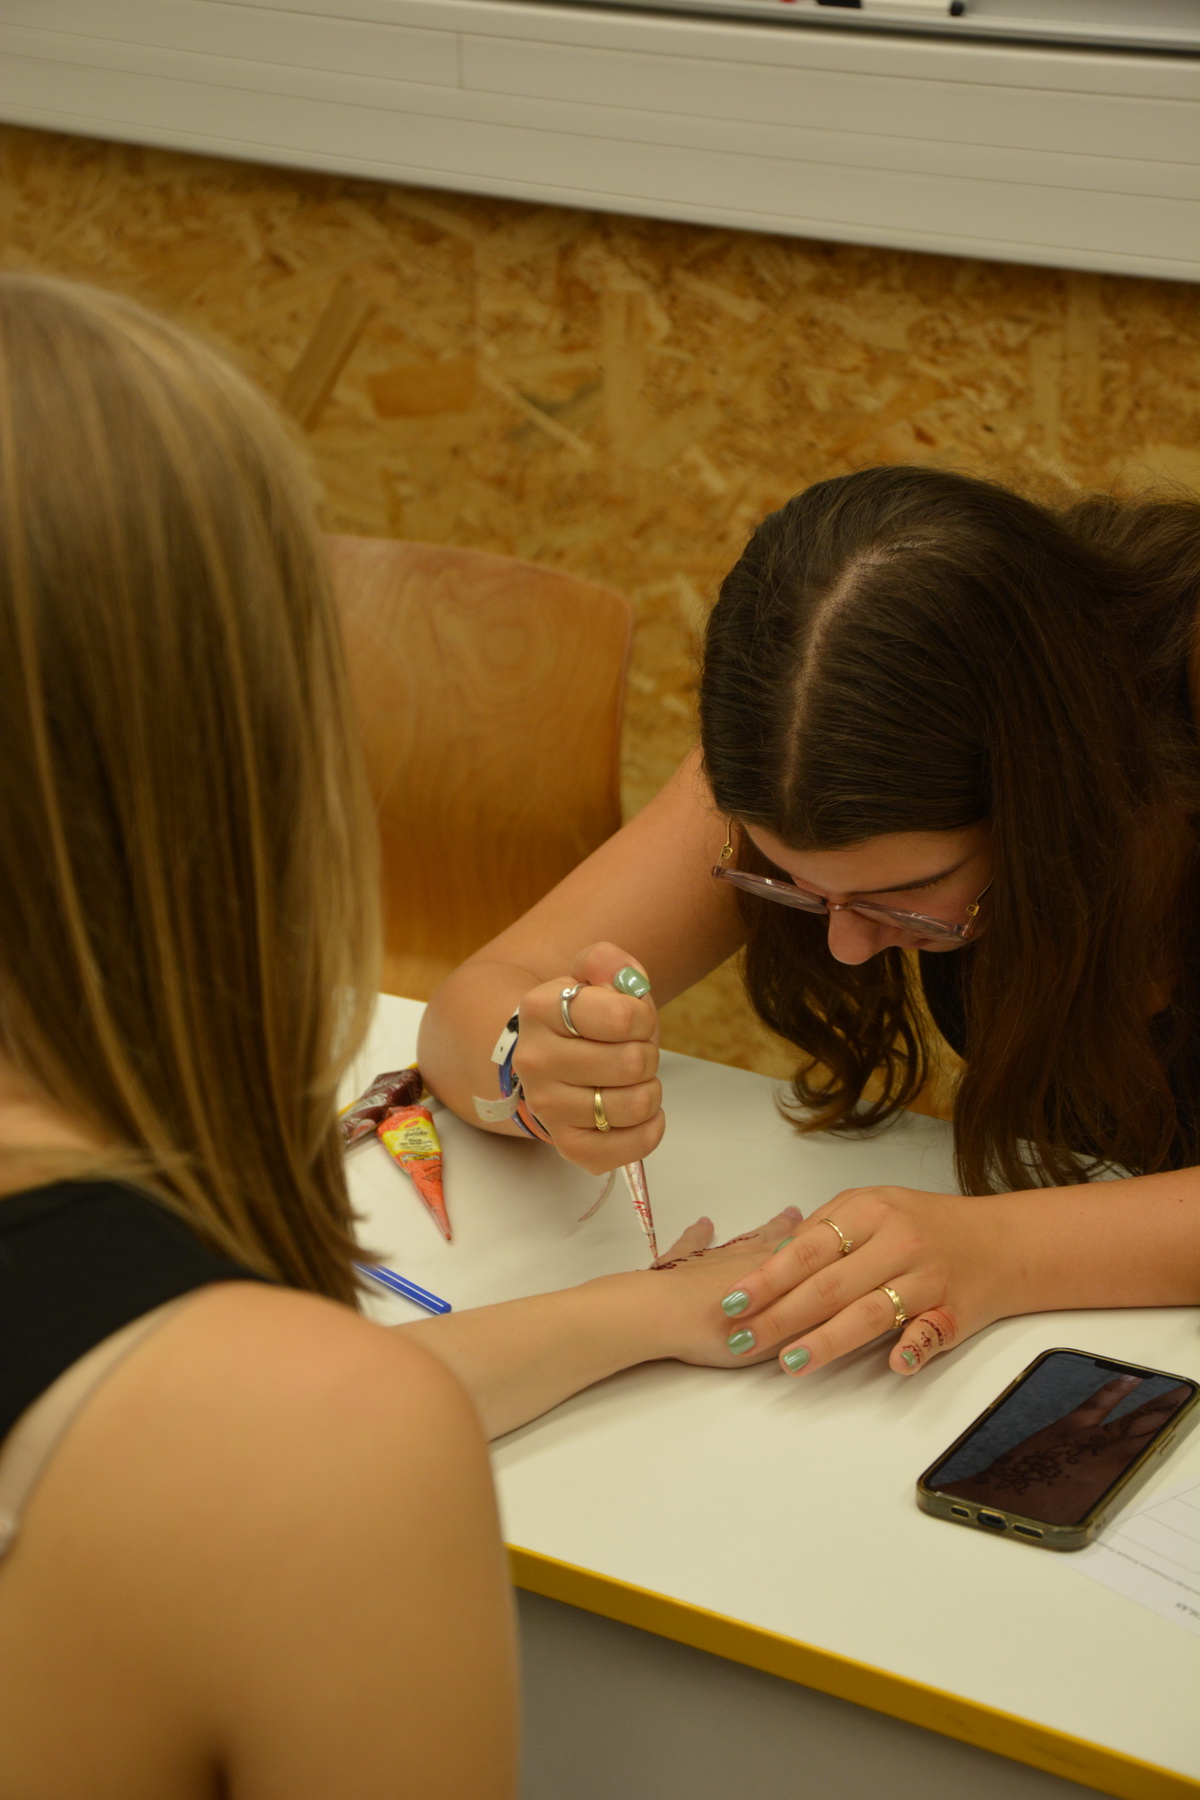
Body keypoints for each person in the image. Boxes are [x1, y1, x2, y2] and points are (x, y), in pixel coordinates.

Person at [0, 271, 799, 1800]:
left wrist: (648, 1314)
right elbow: (292, 1419)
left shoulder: (273, 1409)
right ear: (257, 755)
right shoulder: (317, 1457)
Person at [421, 465, 1200, 1388]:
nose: (845, 945)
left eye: (905, 893)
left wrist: (1004, 1250)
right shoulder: (813, 738)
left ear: (1049, 788)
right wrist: (528, 1061)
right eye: (792, 884)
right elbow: (471, 1009)